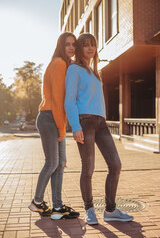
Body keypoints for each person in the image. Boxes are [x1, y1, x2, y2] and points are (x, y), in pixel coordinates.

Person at [64, 33, 133, 225]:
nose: (90, 49)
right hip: (84, 122)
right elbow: (69, 100)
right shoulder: (74, 69)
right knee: (88, 168)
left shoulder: (95, 72)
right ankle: (89, 210)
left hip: (101, 123)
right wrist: (75, 127)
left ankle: (110, 210)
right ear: (79, 49)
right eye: (85, 45)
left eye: (92, 45)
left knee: (115, 164)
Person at [28, 32, 79, 220]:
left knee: (60, 164)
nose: (71, 47)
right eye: (67, 44)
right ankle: (37, 201)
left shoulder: (65, 64)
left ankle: (57, 206)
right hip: (50, 118)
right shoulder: (58, 63)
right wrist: (61, 128)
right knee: (52, 163)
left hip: (53, 118)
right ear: (61, 46)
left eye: (73, 44)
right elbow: (58, 99)